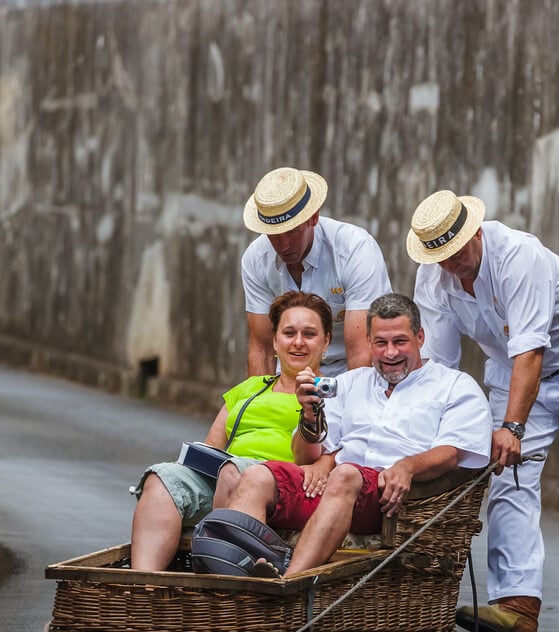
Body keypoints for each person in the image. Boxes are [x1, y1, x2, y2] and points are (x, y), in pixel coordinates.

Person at [405, 189, 559, 632]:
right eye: (440, 257)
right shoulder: (433, 281)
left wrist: (512, 427)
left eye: (456, 252)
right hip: (508, 375)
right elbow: (439, 366)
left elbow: (531, 351)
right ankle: (517, 606)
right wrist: (431, 438)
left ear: (474, 232)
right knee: (508, 475)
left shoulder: (519, 256)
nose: (451, 265)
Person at [224, 293, 491, 577]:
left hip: (391, 500)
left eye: (399, 341)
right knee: (256, 475)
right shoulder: (349, 384)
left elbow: (453, 451)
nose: (390, 353)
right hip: (334, 489)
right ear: (368, 341)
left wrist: (408, 467)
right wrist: (310, 415)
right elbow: (305, 456)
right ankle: (239, 575)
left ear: (420, 337)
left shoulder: (454, 386)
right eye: (381, 343)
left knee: (346, 473)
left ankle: (287, 582)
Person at [130, 292, 334, 571]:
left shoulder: (332, 393)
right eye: (289, 333)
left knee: (232, 471)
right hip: (228, 473)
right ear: (275, 341)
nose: (298, 342)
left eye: (309, 334)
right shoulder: (249, 389)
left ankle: (221, 578)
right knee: (162, 478)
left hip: (278, 483)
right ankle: (145, 585)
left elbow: (317, 456)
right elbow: (212, 447)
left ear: (326, 342)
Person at [241, 166, 392, 377]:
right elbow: (262, 348)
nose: (283, 245)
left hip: (354, 369)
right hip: (289, 369)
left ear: (313, 218)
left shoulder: (355, 249)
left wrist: (344, 406)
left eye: (292, 231)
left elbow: (361, 352)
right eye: (274, 234)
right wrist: (257, 406)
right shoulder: (255, 258)